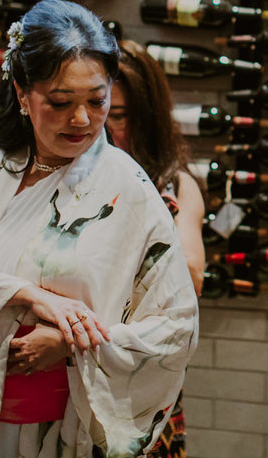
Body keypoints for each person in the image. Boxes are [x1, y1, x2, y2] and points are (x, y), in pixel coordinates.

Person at [0, 0, 199, 458]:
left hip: (69, 428)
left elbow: (174, 326)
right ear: (23, 94)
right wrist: (27, 296)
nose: (81, 119)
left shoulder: (128, 187)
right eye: (61, 102)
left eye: (97, 100)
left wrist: (72, 344)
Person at [105, 40, 207, 458]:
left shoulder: (176, 184)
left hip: (144, 385)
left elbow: (191, 277)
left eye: (118, 116)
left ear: (146, 117)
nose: (104, 129)